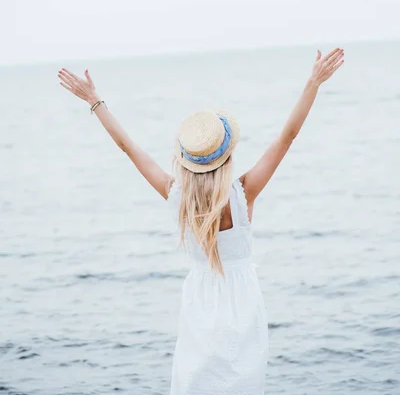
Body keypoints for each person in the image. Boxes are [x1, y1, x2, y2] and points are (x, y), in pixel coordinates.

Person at [57, 46, 344, 395]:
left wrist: (95, 100)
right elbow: (287, 137)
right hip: (243, 302)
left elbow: (128, 147)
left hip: (200, 302)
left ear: (187, 159)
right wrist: (313, 83)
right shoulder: (242, 193)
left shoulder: (175, 193)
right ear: (227, 155)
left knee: (197, 382)